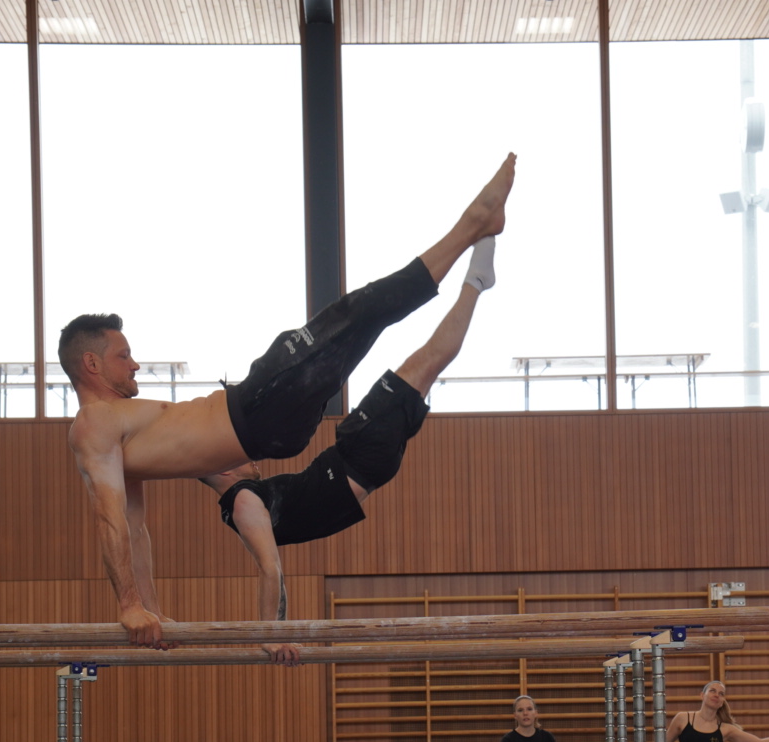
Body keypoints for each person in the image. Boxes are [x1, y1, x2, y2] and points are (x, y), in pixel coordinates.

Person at [58, 155, 515, 648]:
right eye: (123, 356)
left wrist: (150, 610)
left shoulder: (121, 431)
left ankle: (473, 237)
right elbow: (115, 521)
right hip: (260, 406)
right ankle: (473, 224)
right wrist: (132, 605)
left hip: (271, 423)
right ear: (91, 364)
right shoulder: (95, 423)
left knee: (363, 324)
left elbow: (137, 528)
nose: (135, 365)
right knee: (358, 312)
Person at [200, 240, 498, 664]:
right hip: (357, 453)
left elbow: (272, 564)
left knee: (427, 366)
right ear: (222, 469)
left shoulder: (244, 505)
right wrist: (271, 634)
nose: (252, 457)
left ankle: (476, 283)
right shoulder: (243, 500)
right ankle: (476, 282)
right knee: (425, 361)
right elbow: (270, 567)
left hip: (363, 461)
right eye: (241, 457)